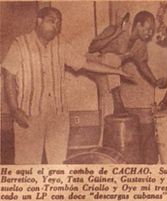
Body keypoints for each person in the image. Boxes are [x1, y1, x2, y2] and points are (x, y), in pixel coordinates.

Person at [1, 7, 132, 164]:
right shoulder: (20, 44)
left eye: (59, 22)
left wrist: (116, 71)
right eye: (52, 21)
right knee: (27, 166)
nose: (56, 25)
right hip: (29, 115)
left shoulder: (61, 44)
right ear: (39, 21)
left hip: (58, 114)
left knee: (58, 164)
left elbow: (85, 63)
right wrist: (15, 110)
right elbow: (9, 75)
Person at [88, 11, 167, 164]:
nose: (150, 33)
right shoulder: (115, 29)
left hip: (111, 77)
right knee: (111, 59)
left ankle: (106, 151)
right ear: (138, 25)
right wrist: (114, 34)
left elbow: (142, 65)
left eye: (152, 30)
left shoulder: (139, 45)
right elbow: (92, 47)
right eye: (147, 29)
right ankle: (117, 98)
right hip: (94, 64)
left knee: (109, 110)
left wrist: (155, 81)